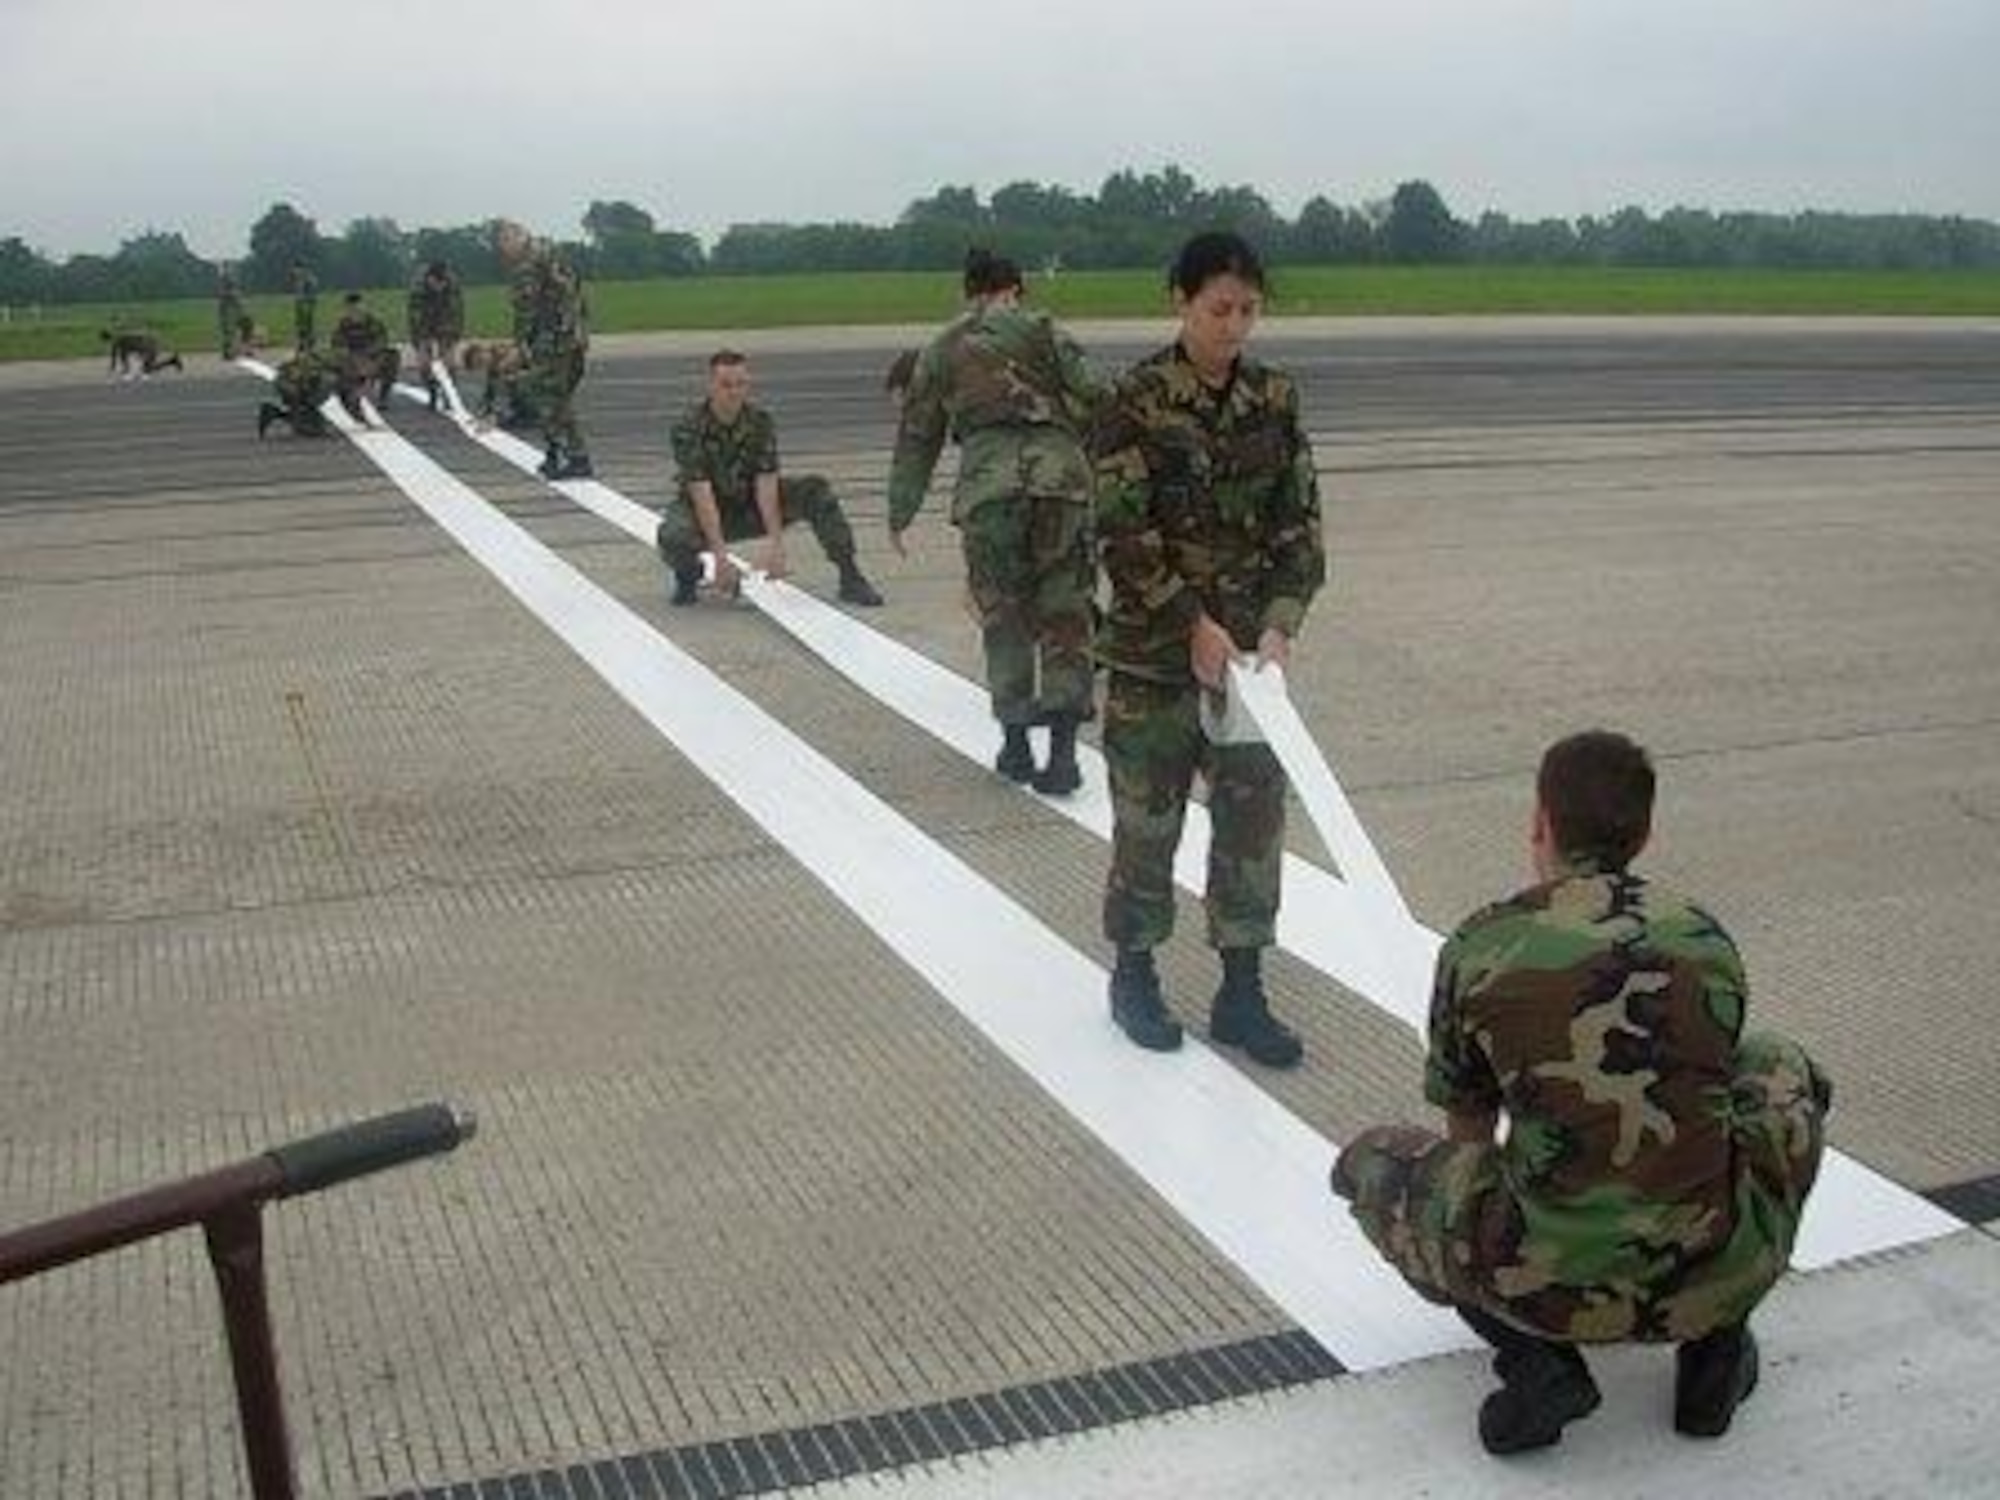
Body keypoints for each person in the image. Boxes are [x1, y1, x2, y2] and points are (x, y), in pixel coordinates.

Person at [1332, 730, 1830, 1456]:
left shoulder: (1484, 946)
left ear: (1541, 823)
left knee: (1370, 1162)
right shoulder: (1704, 939)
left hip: (1544, 1284)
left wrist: (1504, 1231)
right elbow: (1711, 1103)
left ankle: (1540, 1364)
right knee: (1780, 1066)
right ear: (1646, 832)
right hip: (1714, 1264)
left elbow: (1468, 1125)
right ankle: (1714, 1352)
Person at [1092, 231, 1324, 1067]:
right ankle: (1135, 974)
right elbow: (1122, 529)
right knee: (1147, 825)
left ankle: (1241, 992)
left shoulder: (1276, 399)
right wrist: (1191, 621)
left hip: (1249, 674)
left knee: (1253, 828)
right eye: (1218, 309)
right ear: (1179, 302)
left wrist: (1281, 624)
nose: (1234, 327)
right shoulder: (1134, 400)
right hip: (1156, 657)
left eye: (1248, 311)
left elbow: (1300, 524)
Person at [887, 249, 1101, 795]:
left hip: (989, 493)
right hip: (1060, 485)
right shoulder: (1044, 330)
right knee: (1066, 616)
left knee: (1003, 617)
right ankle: (1062, 758)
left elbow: (919, 434)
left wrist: (900, 509)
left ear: (968, 291)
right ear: (1016, 288)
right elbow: (1098, 395)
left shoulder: (941, 347)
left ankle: (1014, 746)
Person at [658, 350, 884, 608]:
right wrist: (721, 557)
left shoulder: (759, 421)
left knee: (815, 489)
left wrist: (776, 545)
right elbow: (701, 491)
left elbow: (766, 483)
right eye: (725, 385)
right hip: (705, 509)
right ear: (711, 386)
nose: (734, 392)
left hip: (748, 503)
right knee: (673, 535)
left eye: (741, 384)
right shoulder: (688, 426)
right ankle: (688, 576)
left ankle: (850, 576)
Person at [494, 218, 593, 480]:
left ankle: (572, 456)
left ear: (518, 237)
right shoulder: (552, 254)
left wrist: (520, 347)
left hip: (553, 340)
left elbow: (527, 311)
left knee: (551, 397)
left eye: (504, 242)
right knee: (555, 396)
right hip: (570, 337)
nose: (502, 249)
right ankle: (559, 454)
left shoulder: (528, 266)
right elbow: (578, 296)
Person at [406, 258, 465, 411]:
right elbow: (414, 317)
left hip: (445, 322)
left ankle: (449, 395)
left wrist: (453, 338)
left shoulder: (452, 286)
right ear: (429, 279)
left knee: (449, 362)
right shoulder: (418, 289)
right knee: (424, 363)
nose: (439, 286)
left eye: (442, 282)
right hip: (424, 322)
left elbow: (457, 314)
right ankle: (432, 392)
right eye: (436, 282)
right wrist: (419, 343)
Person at [329, 292, 401, 413]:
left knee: (392, 356)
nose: (355, 310)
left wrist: (370, 357)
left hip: (371, 356)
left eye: (357, 306)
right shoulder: (343, 324)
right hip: (352, 359)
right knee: (337, 363)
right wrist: (351, 357)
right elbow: (337, 345)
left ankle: (383, 397)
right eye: (351, 307)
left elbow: (382, 341)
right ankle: (348, 396)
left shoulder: (373, 321)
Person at [257, 348, 341, 438]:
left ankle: (274, 412)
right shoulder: (317, 368)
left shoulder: (314, 362)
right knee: (308, 407)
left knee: (308, 409)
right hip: (296, 389)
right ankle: (297, 422)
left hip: (293, 387)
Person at [460, 339, 537, 429]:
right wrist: (480, 413)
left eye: (481, 361)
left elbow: (503, 392)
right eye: (480, 365)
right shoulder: (493, 364)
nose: (483, 365)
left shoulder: (505, 357)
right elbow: (489, 394)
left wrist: (494, 416)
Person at [101, 327, 183, 378]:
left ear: (107, 339)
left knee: (147, 369)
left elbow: (120, 357)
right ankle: (173, 361)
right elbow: (119, 357)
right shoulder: (121, 337)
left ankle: (173, 361)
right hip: (150, 345)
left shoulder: (119, 342)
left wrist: (124, 369)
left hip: (149, 348)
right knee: (147, 369)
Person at [216, 268, 249, 359]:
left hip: (233, 315)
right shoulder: (226, 293)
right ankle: (228, 352)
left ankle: (240, 350)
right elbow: (229, 302)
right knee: (229, 334)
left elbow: (238, 304)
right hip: (229, 316)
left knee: (241, 330)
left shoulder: (230, 292)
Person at [290, 261, 320, 351]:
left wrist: (308, 301)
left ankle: (309, 341)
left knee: (307, 323)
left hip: (307, 301)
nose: (295, 271)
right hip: (300, 301)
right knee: (300, 323)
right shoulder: (297, 277)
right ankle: (303, 342)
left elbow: (312, 288)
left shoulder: (308, 277)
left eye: (296, 268)